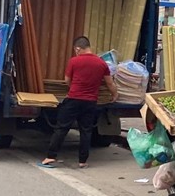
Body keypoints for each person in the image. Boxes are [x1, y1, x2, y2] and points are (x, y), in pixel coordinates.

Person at [39, 36, 118, 169]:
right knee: (86, 131)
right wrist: (115, 94)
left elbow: (67, 80)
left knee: (61, 128)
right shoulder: (101, 63)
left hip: (74, 99)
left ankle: (50, 157)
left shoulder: (74, 61)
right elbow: (109, 83)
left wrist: (74, 88)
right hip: (90, 102)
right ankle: (82, 161)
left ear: (78, 48)